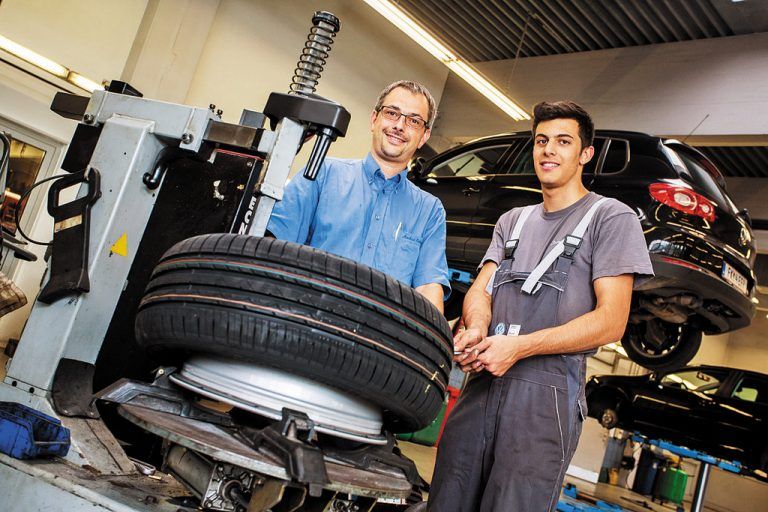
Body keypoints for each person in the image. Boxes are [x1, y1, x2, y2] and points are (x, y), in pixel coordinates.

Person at [428, 101, 654, 511]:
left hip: (545, 400)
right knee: (447, 497)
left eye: (563, 141)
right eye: (541, 141)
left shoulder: (609, 218)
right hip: (482, 386)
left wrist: (520, 347)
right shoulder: (512, 220)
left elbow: (611, 321)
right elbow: (481, 291)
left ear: (585, 154)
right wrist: (476, 328)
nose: (548, 150)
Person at [267, 80, 449, 310]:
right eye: (392, 113)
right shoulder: (321, 173)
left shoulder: (429, 211)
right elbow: (275, 246)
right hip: (308, 317)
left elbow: (429, 287)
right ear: (374, 119)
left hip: (378, 330)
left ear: (424, 136)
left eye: (413, 121)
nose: (399, 126)